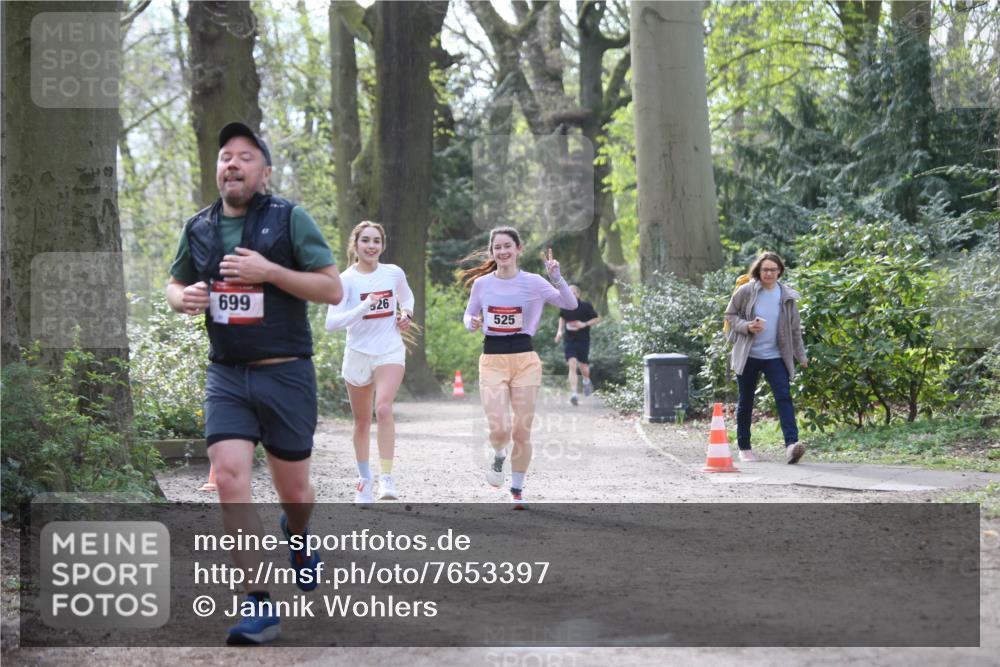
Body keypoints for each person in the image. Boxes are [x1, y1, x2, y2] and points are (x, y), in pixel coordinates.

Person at [166, 121, 342, 645]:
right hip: (227, 375)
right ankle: (257, 604)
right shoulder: (198, 227)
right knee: (228, 476)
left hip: (286, 373)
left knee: (295, 493)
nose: (233, 164)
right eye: (226, 156)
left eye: (245, 157)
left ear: (264, 172)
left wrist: (271, 272)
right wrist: (184, 299)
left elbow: (332, 288)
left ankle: (298, 534)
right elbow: (175, 284)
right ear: (217, 169)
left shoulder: (290, 219)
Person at [460, 227, 577, 508]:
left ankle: (517, 487)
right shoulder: (482, 284)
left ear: (518, 249)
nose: (502, 252)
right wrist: (471, 323)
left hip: (525, 359)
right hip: (492, 359)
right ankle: (499, 456)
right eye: (497, 247)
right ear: (492, 252)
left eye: (507, 246)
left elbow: (570, 304)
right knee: (499, 430)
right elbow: (469, 313)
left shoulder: (534, 282)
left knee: (521, 431)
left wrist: (557, 278)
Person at [325, 221, 414, 505]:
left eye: (376, 241)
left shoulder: (393, 273)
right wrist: (364, 307)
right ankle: (364, 479)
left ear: (383, 245)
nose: (371, 246)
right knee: (362, 422)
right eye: (366, 240)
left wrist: (407, 312)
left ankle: (387, 478)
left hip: (389, 350)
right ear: (356, 245)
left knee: (384, 408)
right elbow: (331, 323)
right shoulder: (345, 280)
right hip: (358, 353)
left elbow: (406, 295)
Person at [724, 252, 808, 464]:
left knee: (784, 397)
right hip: (748, 355)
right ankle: (744, 447)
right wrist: (747, 326)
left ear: (779, 271)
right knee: (746, 400)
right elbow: (730, 315)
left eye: (773, 269)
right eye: (765, 270)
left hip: (775, 356)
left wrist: (801, 355)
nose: (769, 273)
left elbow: (795, 329)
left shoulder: (786, 296)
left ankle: (792, 445)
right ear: (758, 271)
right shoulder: (746, 291)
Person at [554, 285, 600, 405]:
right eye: (569, 293)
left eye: (573, 293)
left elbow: (596, 319)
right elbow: (562, 318)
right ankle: (574, 394)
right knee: (572, 364)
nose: (571, 295)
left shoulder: (586, 306)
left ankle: (586, 380)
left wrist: (583, 324)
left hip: (583, 340)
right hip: (569, 340)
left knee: (583, 367)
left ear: (578, 294)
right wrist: (560, 331)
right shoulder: (565, 306)